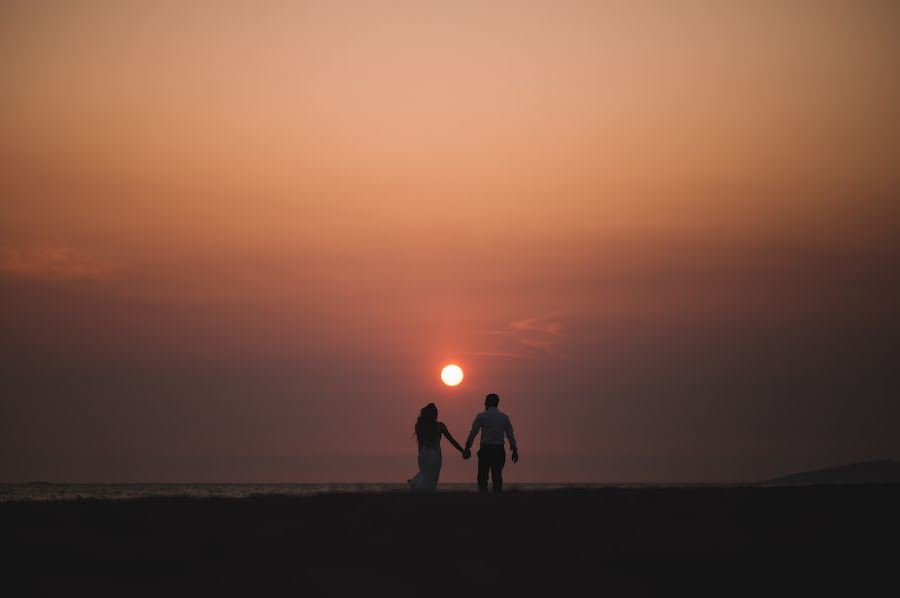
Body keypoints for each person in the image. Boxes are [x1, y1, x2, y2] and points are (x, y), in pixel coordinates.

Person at [463, 393, 518, 493]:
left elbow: (473, 432)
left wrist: (468, 446)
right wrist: (514, 450)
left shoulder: (481, 416)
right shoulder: (504, 417)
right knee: (497, 475)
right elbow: (510, 435)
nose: (484, 403)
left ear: (489, 402)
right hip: (498, 450)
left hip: (485, 450)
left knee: (482, 477)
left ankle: (483, 497)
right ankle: (497, 498)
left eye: (485, 401)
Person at [408, 403, 465, 492]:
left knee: (425, 474)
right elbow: (451, 440)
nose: (438, 414)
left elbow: (420, 444)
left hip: (423, 454)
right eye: (436, 412)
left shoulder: (420, 426)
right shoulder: (440, 426)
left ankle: (419, 490)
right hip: (435, 455)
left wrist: (420, 455)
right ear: (432, 414)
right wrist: (463, 451)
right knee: (432, 477)